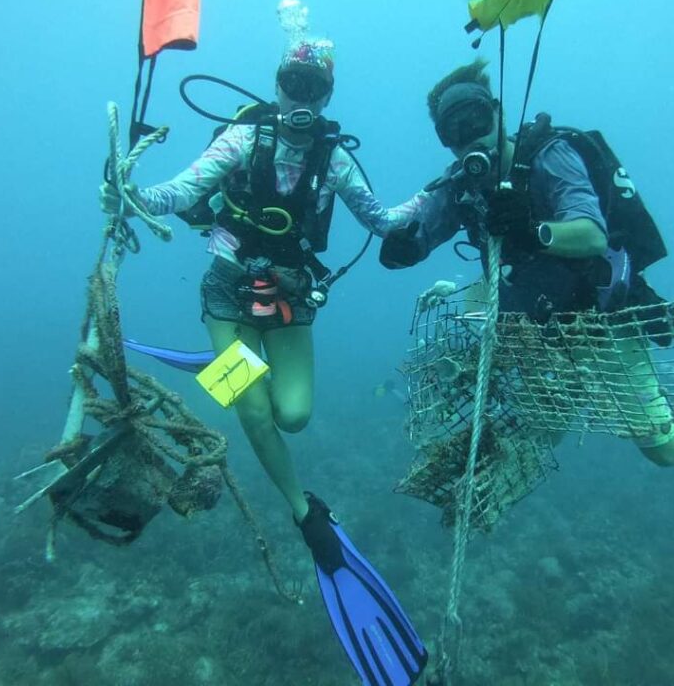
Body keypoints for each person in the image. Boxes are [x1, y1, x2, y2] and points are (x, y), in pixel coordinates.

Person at [379, 58, 674, 573]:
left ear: (497, 112)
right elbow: (417, 227)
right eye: (452, 133)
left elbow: (589, 234)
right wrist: (402, 247)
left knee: (666, 451)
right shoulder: (461, 186)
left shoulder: (549, 156)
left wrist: (534, 228)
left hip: (600, 319)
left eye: (475, 121)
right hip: (536, 329)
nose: (468, 139)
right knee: (528, 417)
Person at [101, 36, 429, 684]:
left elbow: (383, 219)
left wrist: (445, 197)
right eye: (291, 82)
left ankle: (222, 367)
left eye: (313, 88)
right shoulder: (241, 141)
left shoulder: (334, 161)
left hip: (288, 291)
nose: (300, 97)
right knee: (253, 412)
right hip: (227, 282)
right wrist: (131, 193)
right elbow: (181, 189)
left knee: (295, 415)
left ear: (326, 95)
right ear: (277, 84)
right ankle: (305, 512)